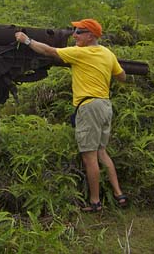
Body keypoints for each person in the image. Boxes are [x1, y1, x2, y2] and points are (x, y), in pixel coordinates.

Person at [15, 18, 128, 212]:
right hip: (104, 105)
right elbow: (122, 76)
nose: (74, 35)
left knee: (89, 157)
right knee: (102, 152)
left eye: (79, 31)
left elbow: (49, 51)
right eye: (74, 30)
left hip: (89, 107)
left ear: (91, 35)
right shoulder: (107, 53)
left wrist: (27, 40)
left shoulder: (80, 53)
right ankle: (119, 195)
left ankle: (95, 202)